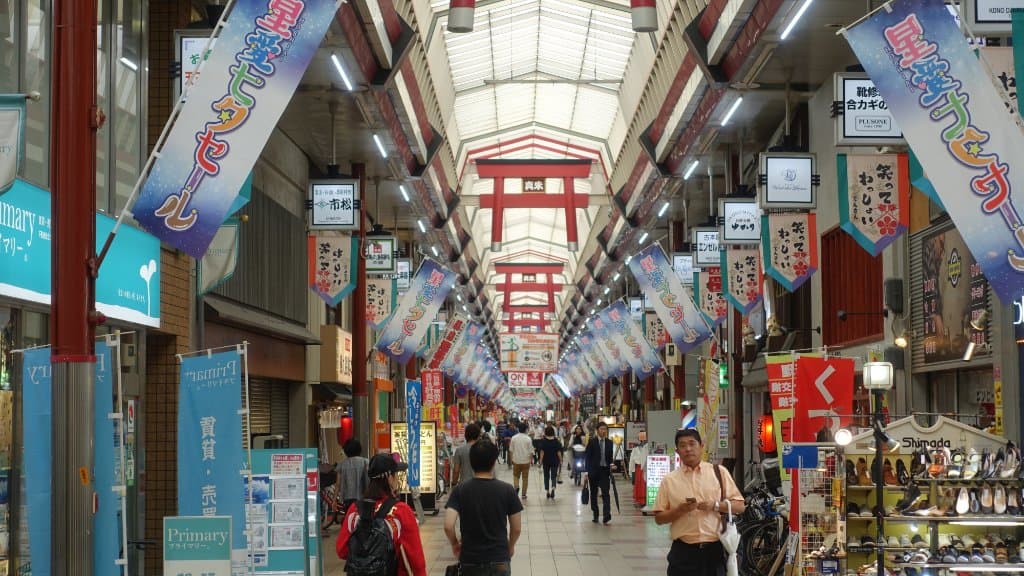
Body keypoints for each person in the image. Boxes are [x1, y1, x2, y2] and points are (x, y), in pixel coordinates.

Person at [653, 429, 745, 576]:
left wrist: (715, 505)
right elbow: (659, 518)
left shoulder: (719, 472)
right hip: (683, 553)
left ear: (701, 446)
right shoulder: (669, 480)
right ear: (677, 451)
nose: (688, 449)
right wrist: (680, 510)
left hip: (715, 551)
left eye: (692, 443)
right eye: (682, 445)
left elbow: (740, 507)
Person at [336, 453, 427, 576]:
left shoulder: (354, 510)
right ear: (389, 477)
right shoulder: (400, 511)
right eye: (396, 474)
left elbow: (341, 550)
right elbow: (417, 561)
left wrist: (365, 559)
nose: (396, 479)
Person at [444, 439, 523, 576]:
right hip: (499, 558)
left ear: (472, 461)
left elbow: (448, 525)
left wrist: (455, 544)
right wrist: (510, 547)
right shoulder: (507, 490)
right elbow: (516, 528)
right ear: (493, 463)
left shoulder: (460, 490)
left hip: (470, 559)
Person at [583, 421, 615, 524]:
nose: (603, 431)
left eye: (605, 429)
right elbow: (587, 458)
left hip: (605, 471)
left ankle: (606, 515)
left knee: (606, 493)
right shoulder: (592, 442)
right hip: (593, 471)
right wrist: (586, 472)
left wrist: (611, 465)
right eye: (601, 429)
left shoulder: (610, 443)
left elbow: (610, 458)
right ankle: (595, 514)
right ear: (597, 431)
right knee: (594, 493)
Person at [334, 438, 369, 519]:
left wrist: (334, 500)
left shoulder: (342, 464)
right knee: (361, 519)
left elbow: (338, 484)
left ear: (346, 450)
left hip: (347, 498)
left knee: (349, 519)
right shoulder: (365, 462)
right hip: (362, 497)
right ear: (359, 449)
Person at [509, 422, 534, 499]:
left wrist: (511, 460)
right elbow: (531, 451)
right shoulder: (528, 439)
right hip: (526, 461)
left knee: (516, 476)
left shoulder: (513, 438)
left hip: (516, 460)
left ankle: (516, 487)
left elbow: (511, 450)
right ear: (526, 429)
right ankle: (523, 494)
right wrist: (531, 460)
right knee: (525, 478)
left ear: (518, 429)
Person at [452, 422, 482, 487]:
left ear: (466, 435)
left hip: (464, 485)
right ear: (478, 435)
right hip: (480, 485)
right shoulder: (483, 449)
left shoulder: (459, 450)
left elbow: (456, 470)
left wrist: (454, 483)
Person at [538, 426, 562, 499]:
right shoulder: (556, 441)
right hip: (555, 461)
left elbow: (542, 452)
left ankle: (547, 491)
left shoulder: (544, 441)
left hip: (546, 461)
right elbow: (558, 452)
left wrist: (540, 461)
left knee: (546, 476)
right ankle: (553, 489)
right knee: (553, 476)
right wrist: (561, 460)